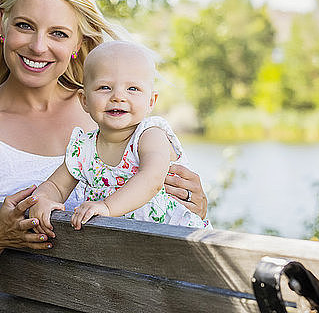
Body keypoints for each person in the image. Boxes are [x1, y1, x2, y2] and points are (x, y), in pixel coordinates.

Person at [0, 0, 208, 296]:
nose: (39, 46)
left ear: (77, 43)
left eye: (58, 33)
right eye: (25, 26)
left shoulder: (106, 111)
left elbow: (156, 198)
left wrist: (193, 202)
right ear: (3, 24)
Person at [29, 41, 211, 235]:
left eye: (132, 89)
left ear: (151, 101)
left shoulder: (150, 134)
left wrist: (106, 207)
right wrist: (42, 199)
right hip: (120, 247)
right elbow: (56, 185)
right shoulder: (84, 148)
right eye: (105, 87)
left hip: (175, 242)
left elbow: (152, 178)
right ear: (85, 100)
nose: (118, 96)